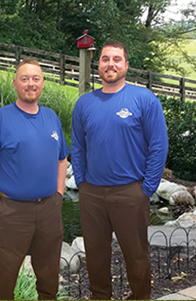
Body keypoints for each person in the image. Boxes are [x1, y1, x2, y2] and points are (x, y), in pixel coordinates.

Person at [71, 40, 168, 300]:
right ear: (98, 64)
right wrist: (81, 182)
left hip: (130, 192)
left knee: (136, 255)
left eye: (116, 59)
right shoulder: (84, 104)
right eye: (105, 59)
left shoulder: (144, 99)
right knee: (95, 254)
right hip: (92, 194)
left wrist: (146, 189)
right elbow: (78, 147)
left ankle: (140, 297)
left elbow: (158, 146)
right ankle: (100, 297)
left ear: (126, 65)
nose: (110, 64)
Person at [0, 59, 69, 300]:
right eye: (25, 79)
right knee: (6, 279)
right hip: (11, 212)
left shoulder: (51, 118)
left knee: (49, 276)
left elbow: (62, 159)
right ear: (15, 84)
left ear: (43, 84)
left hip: (49, 208)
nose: (31, 84)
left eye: (36, 79)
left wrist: (59, 195)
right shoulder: (0, 119)